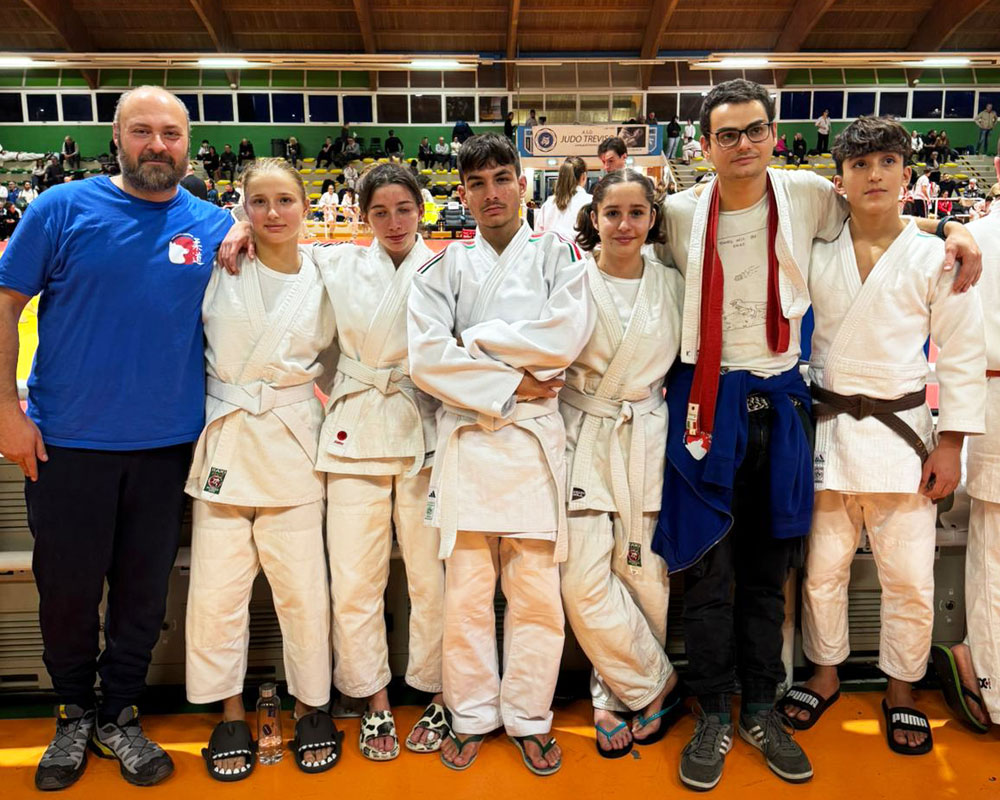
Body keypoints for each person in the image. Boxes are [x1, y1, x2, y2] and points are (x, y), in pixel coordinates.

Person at [651, 78, 981, 793]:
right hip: (712, 405)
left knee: (775, 575)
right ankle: (716, 709)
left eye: (756, 131)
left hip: (795, 411)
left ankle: (768, 705)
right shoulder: (678, 211)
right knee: (713, 574)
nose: (744, 144)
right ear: (704, 146)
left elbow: (886, 219)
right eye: (727, 134)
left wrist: (952, 230)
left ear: (774, 135)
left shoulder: (802, 194)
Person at [0, 86, 240, 791]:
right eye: (143, 131)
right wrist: (5, 412)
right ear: (117, 138)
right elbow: (7, 307)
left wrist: (245, 232)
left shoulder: (213, 221)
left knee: (142, 595)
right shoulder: (61, 209)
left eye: (171, 133)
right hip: (68, 443)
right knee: (67, 593)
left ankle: (120, 714)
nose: (157, 145)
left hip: (167, 448)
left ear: (188, 144)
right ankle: (74, 709)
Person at [782, 116, 986, 756]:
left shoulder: (937, 256)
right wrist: (949, 223)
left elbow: (957, 354)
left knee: (907, 574)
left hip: (904, 436)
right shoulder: (817, 253)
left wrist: (951, 443)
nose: (874, 176)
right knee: (822, 571)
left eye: (886, 164)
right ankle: (825, 672)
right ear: (838, 180)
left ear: (905, 174)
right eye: (859, 166)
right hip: (828, 428)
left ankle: (903, 685)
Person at [407, 133, 594, 775]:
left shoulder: (558, 256)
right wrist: (513, 380)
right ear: (462, 193)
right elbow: (427, 358)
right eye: (478, 183)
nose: (491, 193)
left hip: (534, 447)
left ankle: (530, 717)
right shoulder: (443, 268)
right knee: (465, 595)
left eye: (502, 178)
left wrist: (479, 342)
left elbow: (565, 338)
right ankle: (471, 715)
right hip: (469, 443)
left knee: (536, 593)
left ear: (522, 184)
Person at [184, 157, 341, 782]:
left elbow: (338, 361)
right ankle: (228, 710)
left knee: (303, 591)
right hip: (225, 438)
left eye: (285, 200)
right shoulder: (214, 268)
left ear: (307, 207)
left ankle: (311, 705)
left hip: (292, 443)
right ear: (240, 207)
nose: (273, 213)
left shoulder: (328, 275)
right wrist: (226, 228)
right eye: (259, 202)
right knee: (218, 592)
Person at [313, 163, 447, 762]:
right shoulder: (337, 264)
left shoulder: (449, 267)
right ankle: (373, 699)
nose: (394, 222)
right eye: (379, 212)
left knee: (432, 577)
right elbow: (274, 244)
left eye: (404, 209)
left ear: (422, 209)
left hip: (425, 433)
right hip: (354, 431)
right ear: (362, 217)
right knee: (355, 579)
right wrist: (237, 231)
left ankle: (438, 690)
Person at [558, 169, 684, 759]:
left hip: (644, 435)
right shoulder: (569, 281)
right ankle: (657, 683)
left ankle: (611, 695)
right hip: (583, 431)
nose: (625, 224)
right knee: (581, 579)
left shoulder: (675, 284)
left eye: (637, 213)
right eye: (613, 214)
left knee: (642, 577)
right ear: (595, 219)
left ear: (652, 219)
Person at [933, 194, 1000, 735]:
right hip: (993, 404)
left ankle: (989, 679)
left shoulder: (977, 239)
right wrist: (951, 223)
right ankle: (990, 682)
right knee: (994, 558)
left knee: (994, 560)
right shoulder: (976, 241)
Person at [533, 156, 591, 240]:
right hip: (581, 252)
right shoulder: (590, 202)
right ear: (584, 176)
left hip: (551, 252)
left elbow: (537, 237)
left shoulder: (548, 204)